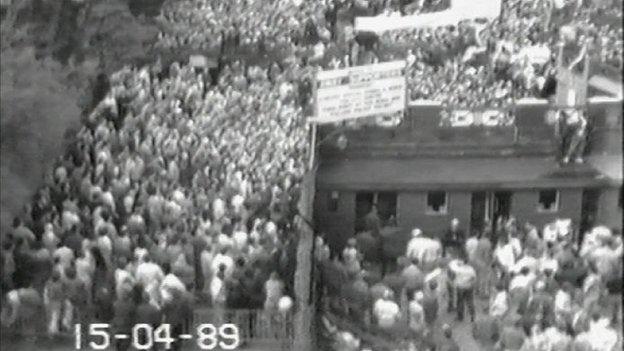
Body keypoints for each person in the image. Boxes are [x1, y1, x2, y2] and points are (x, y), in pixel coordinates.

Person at [448, 254, 476, 322]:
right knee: (470, 301)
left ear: (462, 262)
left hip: (460, 287)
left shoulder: (458, 269)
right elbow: (473, 278)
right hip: (469, 287)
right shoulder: (471, 269)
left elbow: (452, 270)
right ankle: (472, 315)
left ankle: (460, 316)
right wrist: (469, 282)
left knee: (460, 302)